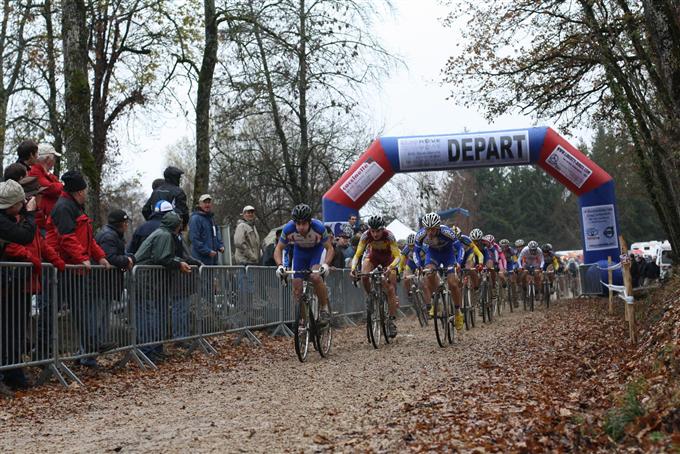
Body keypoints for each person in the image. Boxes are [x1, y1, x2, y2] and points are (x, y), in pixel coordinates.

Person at [45, 170, 111, 367]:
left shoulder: (76, 207)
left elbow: (87, 239)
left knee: (83, 310)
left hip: (74, 269)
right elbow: (66, 238)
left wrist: (100, 256)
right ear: (78, 191)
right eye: (84, 190)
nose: (85, 194)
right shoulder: (64, 207)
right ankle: (43, 353)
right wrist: (82, 258)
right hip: (63, 268)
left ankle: (91, 348)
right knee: (51, 311)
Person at [134, 211, 193, 362]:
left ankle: (153, 349)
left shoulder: (161, 233)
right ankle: (148, 351)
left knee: (151, 314)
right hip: (145, 279)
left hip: (148, 279)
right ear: (176, 225)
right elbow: (162, 257)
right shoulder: (165, 235)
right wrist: (179, 264)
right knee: (148, 315)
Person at [0, 180, 39, 397]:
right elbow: (24, 236)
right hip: (6, 282)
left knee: (12, 332)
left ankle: (14, 374)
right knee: (5, 332)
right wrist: (31, 215)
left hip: (10, 285)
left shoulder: (7, 218)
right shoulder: (3, 220)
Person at [274, 204, 334, 327]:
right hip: (300, 253)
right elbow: (278, 248)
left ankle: (324, 308)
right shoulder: (288, 228)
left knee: (315, 277)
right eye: (298, 224)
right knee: (296, 287)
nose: (301, 227)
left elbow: (330, 248)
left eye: (304, 224)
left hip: (315, 251)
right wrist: (280, 266)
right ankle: (303, 320)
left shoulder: (319, 227)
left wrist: (326, 265)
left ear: (309, 222)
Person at [350, 215, 401, 338]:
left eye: (378, 231)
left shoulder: (389, 236)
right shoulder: (365, 236)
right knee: (364, 275)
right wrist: (352, 269)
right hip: (373, 257)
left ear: (382, 229)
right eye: (372, 231)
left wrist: (390, 268)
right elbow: (357, 255)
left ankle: (391, 321)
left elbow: (398, 256)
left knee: (390, 289)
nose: (375, 234)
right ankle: (370, 297)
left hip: (389, 260)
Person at [414, 213, 465, 330]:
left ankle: (458, 311)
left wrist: (458, 262)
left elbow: (460, 248)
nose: (430, 232)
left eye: (433, 229)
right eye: (428, 229)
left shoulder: (447, 232)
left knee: (453, 283)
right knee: (429, 273)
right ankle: (436, 297)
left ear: (438, 227)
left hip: (448, 255)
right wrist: (418, 266)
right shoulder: (421, 234)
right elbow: (415, 252)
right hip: (433, 255)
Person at [28, 143, 63, 223]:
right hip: (41, 221)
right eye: (54, 158)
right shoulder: (35, 171)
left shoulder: (45, 173)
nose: (54, 161)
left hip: (49, 219)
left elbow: (58, 188)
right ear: (48, 159)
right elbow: (50, 189)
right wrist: (60, 186)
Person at [188, 194, 224, 265]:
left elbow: (216, 233)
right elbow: (194, 239)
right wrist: (207, 251)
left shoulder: (211, 218)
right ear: (200, 204)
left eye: (209, 202)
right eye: (205, 202)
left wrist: (220, 245)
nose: (207, 205)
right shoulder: (195, 219)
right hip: (200, 260)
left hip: (212, 260)